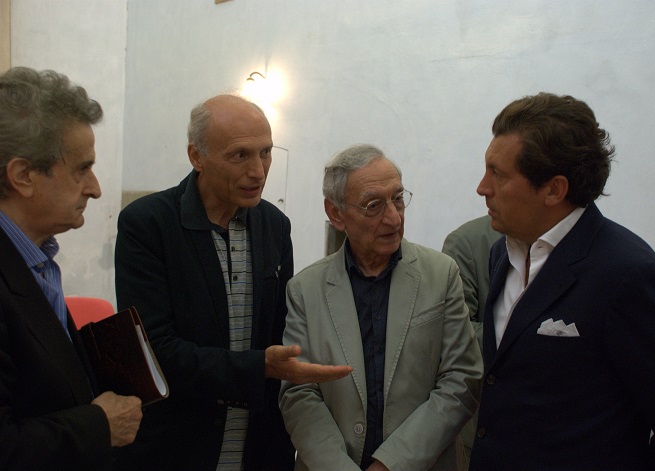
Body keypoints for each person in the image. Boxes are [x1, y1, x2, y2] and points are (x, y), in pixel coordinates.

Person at [114, 94, 351, 470]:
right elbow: (154, 352)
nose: (258, 171)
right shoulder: (148, 225)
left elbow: (278, 330)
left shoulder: (274, 225)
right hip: (178, 448)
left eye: (266, 152)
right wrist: (260, 367)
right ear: (197, 157)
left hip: (257, 449)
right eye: (240, 155)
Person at [470, 92, 655, 470]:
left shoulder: (628, 276)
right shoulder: (503, 253)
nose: (482, 187)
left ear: (554, 189)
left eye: (498, 174)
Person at [279, 144, 483, 471]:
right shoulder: (305, 290)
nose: (393, 217)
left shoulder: (441, 275)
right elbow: (299, 393)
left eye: (398, 198)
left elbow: (461, 381)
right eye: (373, 205)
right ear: (336, 213)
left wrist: (391, 464)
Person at [0, 66, 143, 469]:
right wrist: (99, 425)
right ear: (23, 176)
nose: (95, 188)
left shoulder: (37, 260)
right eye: (82, 168)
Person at [441, 214, 500, 465]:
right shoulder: (466, 242)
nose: (484, 193)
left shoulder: (589, 246)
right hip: (484, 430)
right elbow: (455, 332)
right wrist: (528, 337)